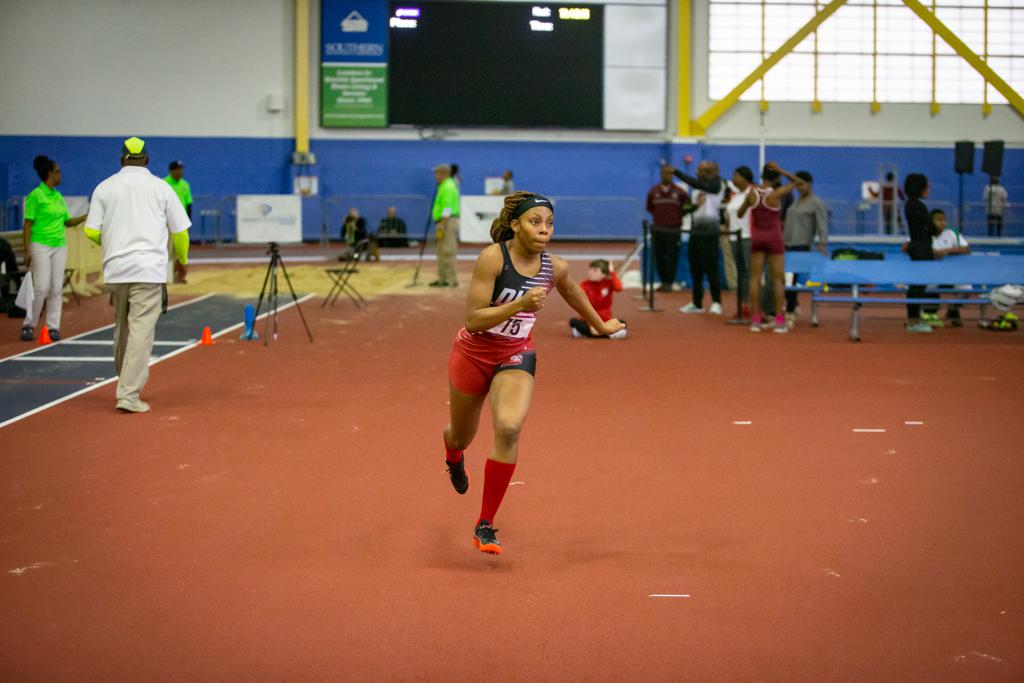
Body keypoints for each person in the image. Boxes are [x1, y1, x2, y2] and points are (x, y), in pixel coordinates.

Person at [441, 191, 624, 555]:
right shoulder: (493, 259)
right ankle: (453, 456)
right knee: (461, 436)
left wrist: (601, 326)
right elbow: (474, 319)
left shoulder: (553, 267)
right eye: (535, 222)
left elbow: (573, 293)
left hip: (515, 354)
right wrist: (521, 303)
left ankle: (485, 524)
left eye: (550, 223)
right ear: (514, 225)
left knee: (508, 427)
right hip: (474, 354)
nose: (544, 230)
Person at [83, 137, 191, 413]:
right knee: (141, 330)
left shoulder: (104, 188)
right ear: (147, 159)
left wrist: (110, 245)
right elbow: (180, 232)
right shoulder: (162, 188)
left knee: (121, 329)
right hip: (149, 269)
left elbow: (91, 231)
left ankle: (126, 382)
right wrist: (182, 261)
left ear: (121, 159)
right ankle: (129, 395)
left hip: (116, 268)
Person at [19, 155, 87, 341]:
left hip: (59, 246)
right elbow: (27, 224)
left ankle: (52, 327)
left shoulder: (58, 196)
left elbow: (67, 221)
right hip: (40, 244)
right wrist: (27, 251)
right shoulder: (36, 195)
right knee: (41, 287)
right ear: (50, 174)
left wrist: (84, 217)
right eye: (58, 171)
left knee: (57, 288)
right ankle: (29, 324)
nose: (61, 174)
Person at [738, 162, 799, 334]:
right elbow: (797, 182)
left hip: (757, 238)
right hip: (774, 238)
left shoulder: (752, 193)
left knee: (755, 279)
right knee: (778, 280)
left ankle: (755, 320)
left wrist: (751, 207)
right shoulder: (777, 194)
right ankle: (779, 321)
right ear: (777, 178)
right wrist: (782, 169)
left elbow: (740, 213)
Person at [673, 160, 725, 315]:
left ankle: (717, 302)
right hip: (695, 229)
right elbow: (687, 208)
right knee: (695, 266)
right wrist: (693, 206)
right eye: (698, 170)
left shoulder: (718, 184)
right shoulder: (696, 190)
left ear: (711, 172)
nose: (698, 172)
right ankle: (697, 302)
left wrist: (677, 173)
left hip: (710, 229)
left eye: (702, 170)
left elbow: (706, 187)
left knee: (711, 267)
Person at [782, 170, 829, 326]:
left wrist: (822, 243)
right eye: (797, 184)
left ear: (810, 184)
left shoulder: (817, 202)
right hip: (787, 244)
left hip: (802, 245)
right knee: (787, 279)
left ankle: (790, 310)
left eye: (802, 184)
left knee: (791, 280)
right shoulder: (795, 202)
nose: (799, 187)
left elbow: (822, 225)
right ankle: (793, 306)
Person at [918, 208, 970, 328]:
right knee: (927, 286)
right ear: (930, 221)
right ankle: (929, 314)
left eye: (944, 220)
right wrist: (929, 251)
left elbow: (966, 249)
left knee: (966, 289)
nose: (943, 223)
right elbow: (906, 247)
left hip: (952, 275)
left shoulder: (952, 233)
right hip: (930, 275)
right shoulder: (922, 233)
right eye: (939, 220)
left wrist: (946, 251)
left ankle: (953, 309)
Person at [646, 165, 691, 293]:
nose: (667, 176)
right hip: (658, 229)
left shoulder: (680, 192)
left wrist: (677, 217)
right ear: (661, 174)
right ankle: (663, 281)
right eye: (665, 173)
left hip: (674, 229)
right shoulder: (653, 191)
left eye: (670, 174)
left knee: (672, 256)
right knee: (659, 256)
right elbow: (649, 208)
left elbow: (688, 207)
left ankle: (669, 283)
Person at [902, 173, 935, 334]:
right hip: (922, 249)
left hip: (916, 247)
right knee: (917, 286)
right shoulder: (918, 206)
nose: (929, 189)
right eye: (926, 186)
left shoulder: (909, 205)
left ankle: (914, 318)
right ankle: (913, 320)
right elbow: (932, 229)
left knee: (916, 285)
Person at [723, 166, 754, 321]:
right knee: (741, 273)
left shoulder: (753, 192)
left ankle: (754, 308)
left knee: (750, 273)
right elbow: (729, 215)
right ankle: (743, 306)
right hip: (734, 238)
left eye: (735, 175)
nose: (733, 178)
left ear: (744, 177)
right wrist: (728, 232)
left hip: (749, 237)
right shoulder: (734, 195)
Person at [569, 258, 627, 339]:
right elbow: (582, 305)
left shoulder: (608, 283)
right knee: (573, 322)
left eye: (595, 270)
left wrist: (612, 272)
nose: (590, 272)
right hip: (590, 320)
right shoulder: (584, 285)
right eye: (590, 269)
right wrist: (591, 326)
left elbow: (619, 288)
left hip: (605, 321)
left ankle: (590, 334)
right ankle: (606, 334)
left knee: (622, 322)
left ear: (604, 274)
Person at [431, 163, 461, 287]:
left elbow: (447, 208)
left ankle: (450, 279)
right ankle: (443, 278)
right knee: (441, 251)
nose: (435, 176)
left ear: (443, 173)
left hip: (447, 222)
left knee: (448, 250)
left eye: (437, 173)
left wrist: (443, 224)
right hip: (443, 222)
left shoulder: (448, 187)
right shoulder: (444, 186)